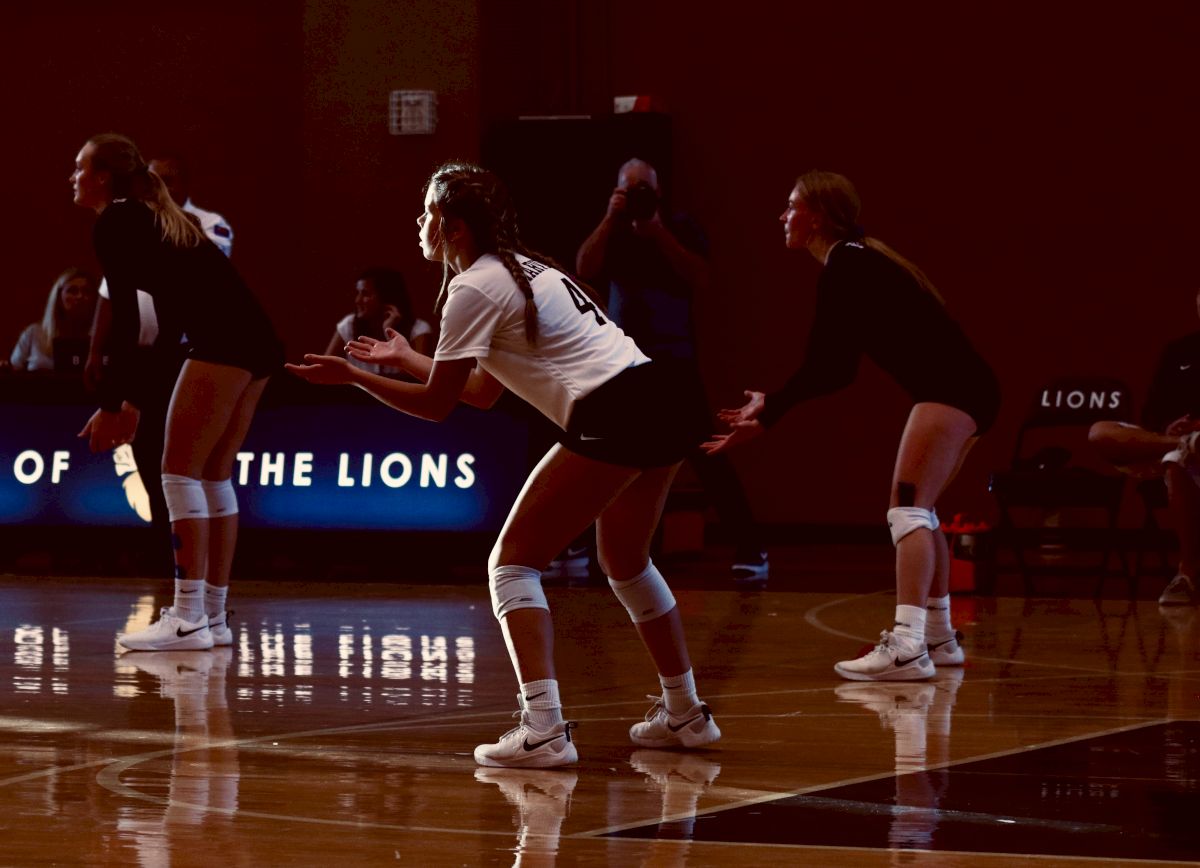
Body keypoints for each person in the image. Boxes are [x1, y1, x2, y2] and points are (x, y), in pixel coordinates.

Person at [288, 162, 721, 768]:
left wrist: (354, 376)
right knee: (625, 559)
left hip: (617, 410)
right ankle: (686, 715)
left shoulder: (472, 287)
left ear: (455, 227)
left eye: (427, 213)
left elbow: (439, 407)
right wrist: (408, 357)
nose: (419, 223)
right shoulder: (523, 269)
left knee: (510, 564)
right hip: (660, 399)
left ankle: (544, 729)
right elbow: (482, 392)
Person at [705, 170, 1000, 682]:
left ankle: (908, 647)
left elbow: (826, 369)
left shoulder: (846, 267)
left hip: (953, 390)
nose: (783, 216)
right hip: (970, 389)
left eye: (791, 205)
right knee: (920, 510)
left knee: (906, 510)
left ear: (817, 215)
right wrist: (773, 406)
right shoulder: (857, 262)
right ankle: (938, 636)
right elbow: (836, 370)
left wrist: (770, 412)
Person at [71, 132, 281, 651]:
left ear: (102, 178)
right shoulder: (149, 217)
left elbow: (124, 322)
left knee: (178, 472)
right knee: (212, 474)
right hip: (257, 341)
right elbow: (164, 329)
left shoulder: (117, 220)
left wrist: (110, 404)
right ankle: (211, 616)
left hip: (223, 341)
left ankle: (187, 617)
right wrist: (133, 401)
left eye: (79, 168)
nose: (72, 178)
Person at [577, 158, 769, 582]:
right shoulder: (612, 230)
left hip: (675, 358)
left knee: (705, 453)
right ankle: (589, 546)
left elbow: (700, 278)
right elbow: (584, 268)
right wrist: (611, 219)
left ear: (658, 193)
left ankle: (751, 546)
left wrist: (657, 232)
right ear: (616, 192)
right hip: (623, 360)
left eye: (643, 189)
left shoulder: (679, 227)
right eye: (628, 190)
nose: (637, 197)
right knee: (605, 451)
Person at [84, 151, 237, 579]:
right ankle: (162, 546)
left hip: (194, 354)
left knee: (189, 460)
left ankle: (200, 559)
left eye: (166, 179)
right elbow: (110, 297)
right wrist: (96, 352)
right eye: (151, 179)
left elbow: (207, 262)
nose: (158, 187)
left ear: (183, 184)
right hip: (145, 357)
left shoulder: (209, 222)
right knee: (145, 452)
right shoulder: (132, 225)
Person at [1088, 287, 1200, 606]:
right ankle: (1186, 443)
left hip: (1180, 460)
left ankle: (1188, 573)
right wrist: (1172, 429)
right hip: (1168, 442)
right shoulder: (1179, 351)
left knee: (1176, 460)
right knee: (1100, 431)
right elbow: (1151, 415)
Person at [323, 266, 434, 372]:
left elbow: (417, 377)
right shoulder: (349, 325)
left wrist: (389, 332)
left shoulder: (419, 330)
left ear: (386, 297)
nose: (358, 300)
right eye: (358, 293)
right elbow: (324, 369)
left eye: (365, 294)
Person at [8, 268, 97, 372]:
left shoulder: (101, 337)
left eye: (86, 291)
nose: (80, 296)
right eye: (72, 291)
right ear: (58, 297)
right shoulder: (34, 334)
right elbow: (13, 371)